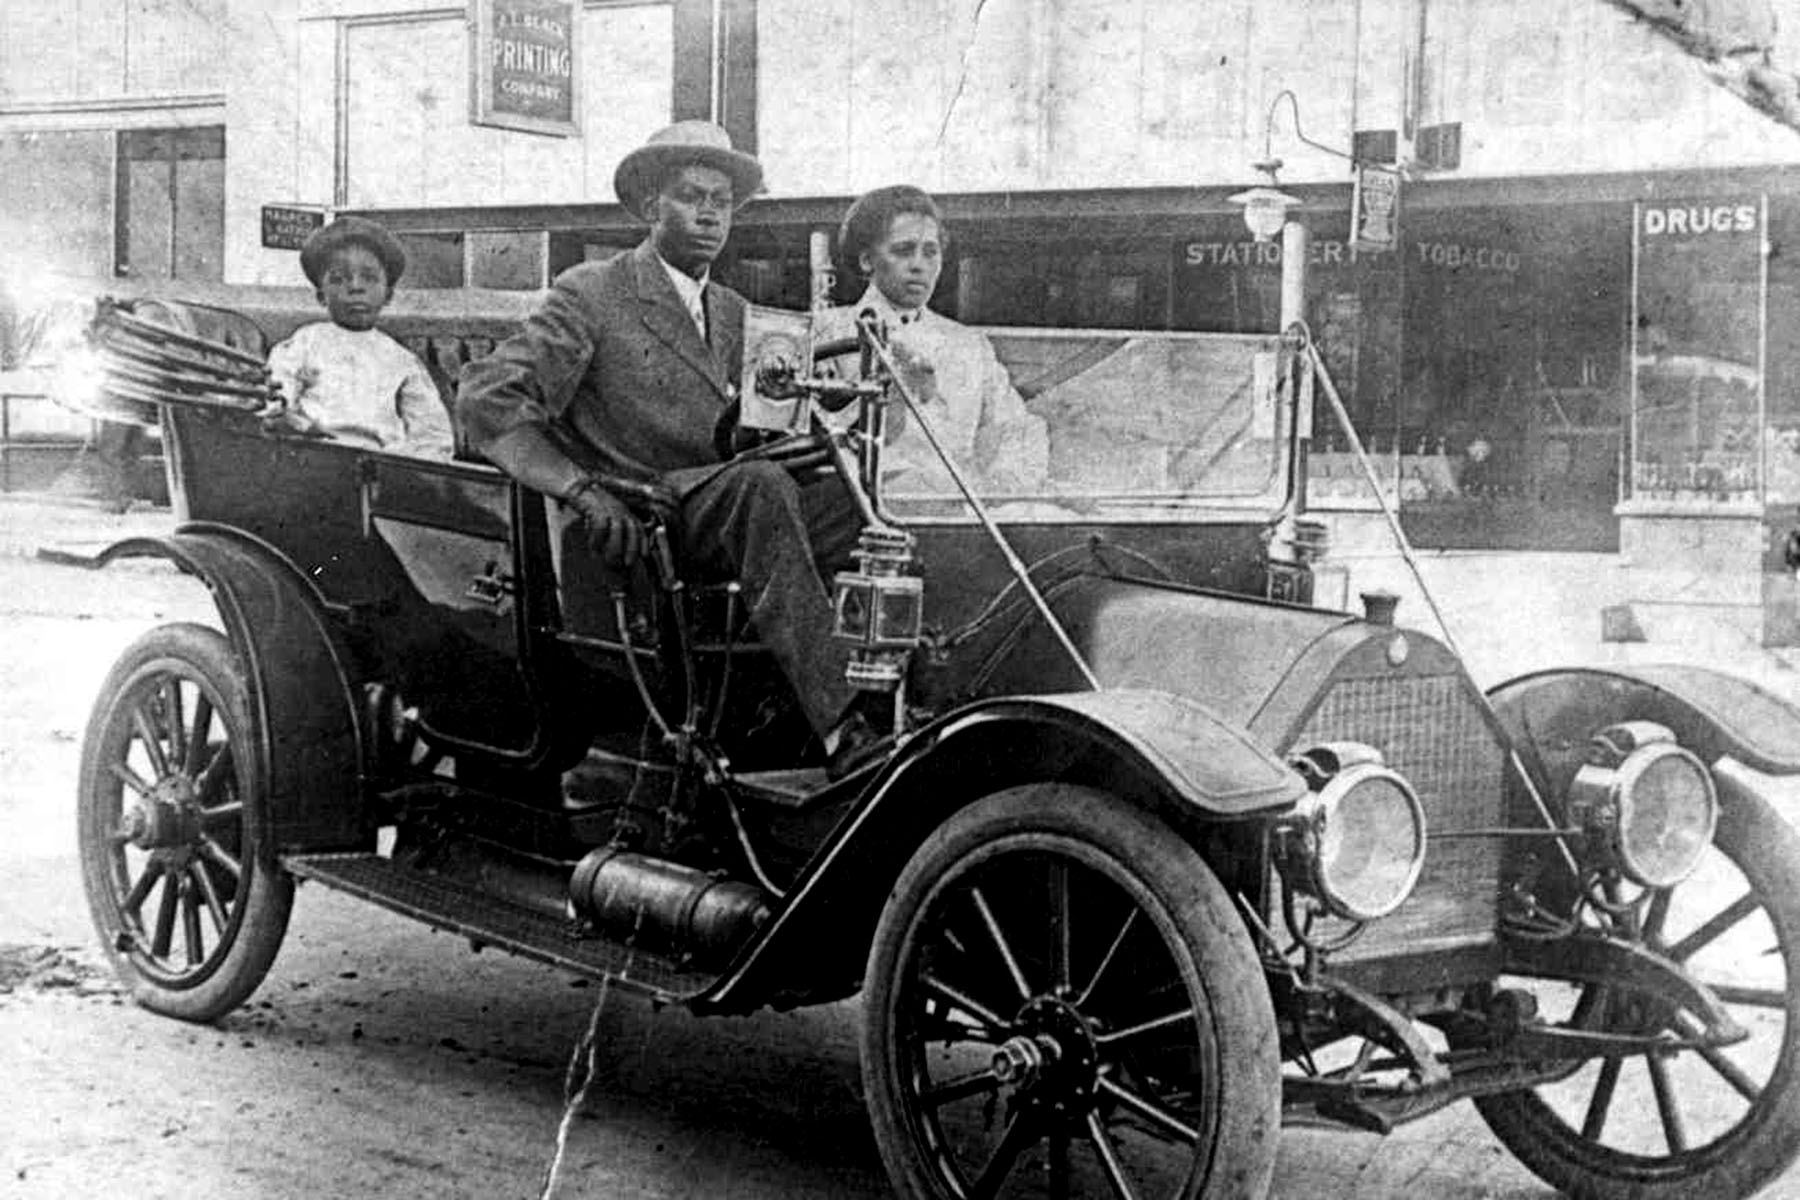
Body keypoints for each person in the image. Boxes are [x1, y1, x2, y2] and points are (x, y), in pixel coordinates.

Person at [456, 121, 883, 778]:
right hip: (649, 515)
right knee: (762, 488)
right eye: (692, 195)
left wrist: (793, 442)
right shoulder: (592, 291)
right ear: (650, 205)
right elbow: (488, 398)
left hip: (725, 505)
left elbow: (744, 428)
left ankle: (886, 695)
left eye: (722, 200)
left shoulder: (740, 312)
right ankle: (841, 728)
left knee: (863, 504)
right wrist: (583, 489)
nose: (711, 212)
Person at [815, 185, 1048, 496]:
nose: (918, 265)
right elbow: (817, 443)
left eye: (930, 251)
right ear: (867, 260)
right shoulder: (827, 333)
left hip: (961, 518)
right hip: (864, 514)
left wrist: (999, 488)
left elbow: (1015, 429)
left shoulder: (970, 345)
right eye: (903, 250)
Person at [263, 217, 454, 457]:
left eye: (369, 278)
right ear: (321, 295)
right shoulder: (306, 342)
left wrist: (416, 470)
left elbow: (432, 433)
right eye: (339, 279)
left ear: (388, 295)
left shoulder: (401, 360)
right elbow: (281, 383)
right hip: (313, 453)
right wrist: (282, 411)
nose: (355, 287)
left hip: (382, 466)